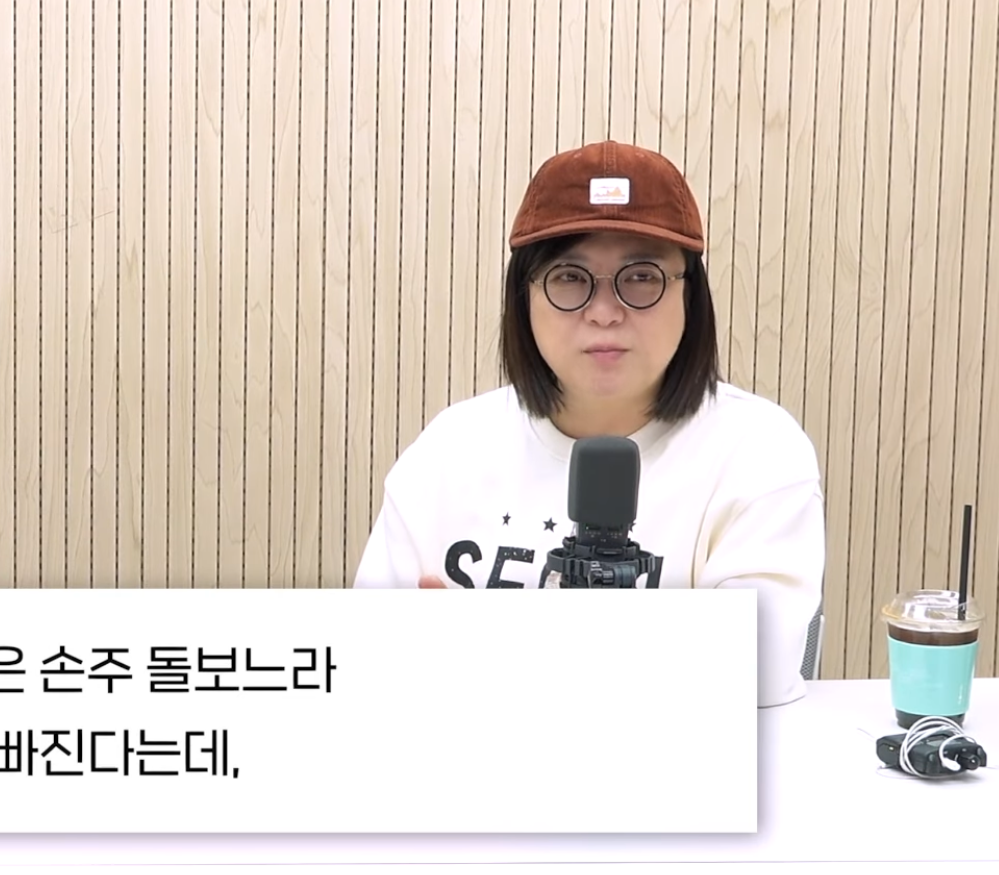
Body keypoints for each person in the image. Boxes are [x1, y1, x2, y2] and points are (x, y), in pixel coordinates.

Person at [354, 140, 826, 707]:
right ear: (524, 297)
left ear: (690, 296)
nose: (604, 312)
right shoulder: (451, 446)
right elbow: (371, 656)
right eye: (570, 277)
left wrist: (482, 659)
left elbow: (751, 670)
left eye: (642, 276)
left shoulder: (759, 449)